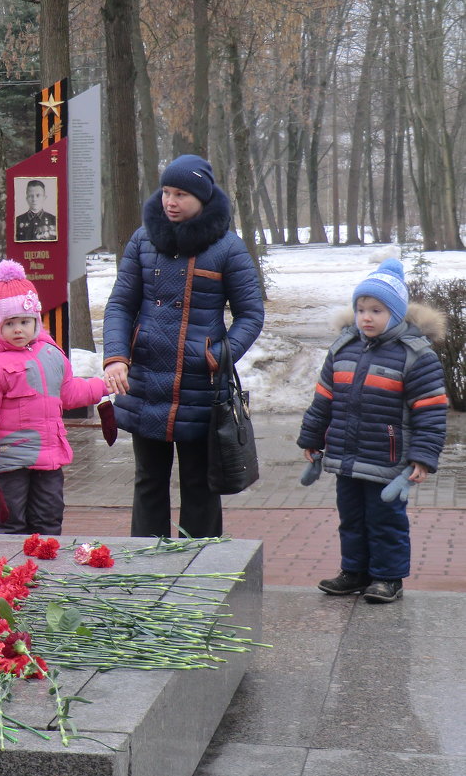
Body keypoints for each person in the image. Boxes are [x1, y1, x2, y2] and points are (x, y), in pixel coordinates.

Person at [103, 154, 264, 539]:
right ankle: (145, 566)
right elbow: (120, 304)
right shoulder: (143, 240)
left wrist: (218, 355)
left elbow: (251, 315)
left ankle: (200, 565)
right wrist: (115, 357)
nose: (170, 201)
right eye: (166, 192)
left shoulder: (228, 248)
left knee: (200, 485)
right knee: (149, 482)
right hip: (144, 383)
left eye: (181, 194)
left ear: (203, 199)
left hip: (200, 388)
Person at [298, 259, 447, 603]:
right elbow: (324, 398)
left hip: (387, 457)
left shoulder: (415, 356)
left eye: (376, 310)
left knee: (385, 521)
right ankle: (354, 571)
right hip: (346, 455)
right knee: (351, 518)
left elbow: (431, 411)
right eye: (361, 308)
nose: (366, 317)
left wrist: (422, 458)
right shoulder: (343, 348)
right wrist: (312, 438)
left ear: (394, 314)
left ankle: (387, 577)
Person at [0, 259, 108, 535]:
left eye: (25, 322)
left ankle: (44, 567)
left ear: (36, 321)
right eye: (10, 323)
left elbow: (68, 392)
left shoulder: (50, 354)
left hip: (48, 457)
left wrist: (101, 386)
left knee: (49, 518)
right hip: (9, 459)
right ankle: (10, 573)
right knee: (9, 520)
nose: (18, 329)